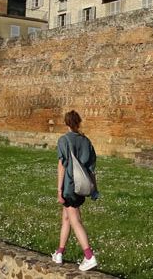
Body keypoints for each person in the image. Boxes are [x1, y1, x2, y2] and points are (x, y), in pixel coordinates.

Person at [52, 110, 98, 271]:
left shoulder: (64, 140)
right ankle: (59, 252)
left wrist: (59, 191)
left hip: (69, 187)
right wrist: (94, 188)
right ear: (79, 122)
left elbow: (61, 166)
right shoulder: (86, 141)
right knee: (66, 218)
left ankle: (89, 256)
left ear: (66, 123)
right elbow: (91, 168)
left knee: (75, 220)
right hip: (82, 186)